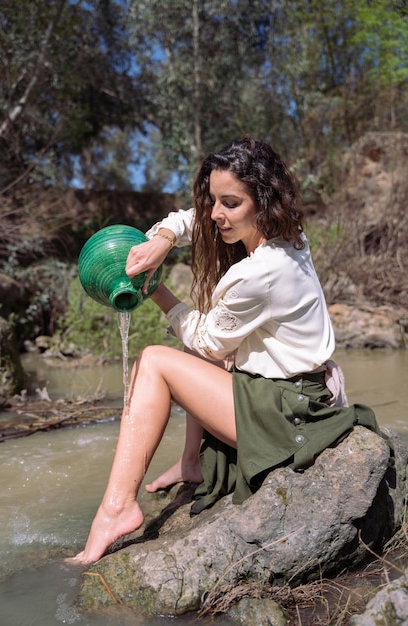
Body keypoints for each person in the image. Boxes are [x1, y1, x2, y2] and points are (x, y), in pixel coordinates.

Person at [71, 137, 382, 565]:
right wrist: (163, 237)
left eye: (230, 203)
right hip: (294, 390)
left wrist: (157, 288)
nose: (216, 214)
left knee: (156, 361)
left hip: (289, 411)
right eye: (213, 201)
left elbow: (205, 342)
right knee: (194, 350)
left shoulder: (262, 273)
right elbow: (189, 220)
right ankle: (189, 463)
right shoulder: (288, 236)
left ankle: (117, 507)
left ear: (263, 201)